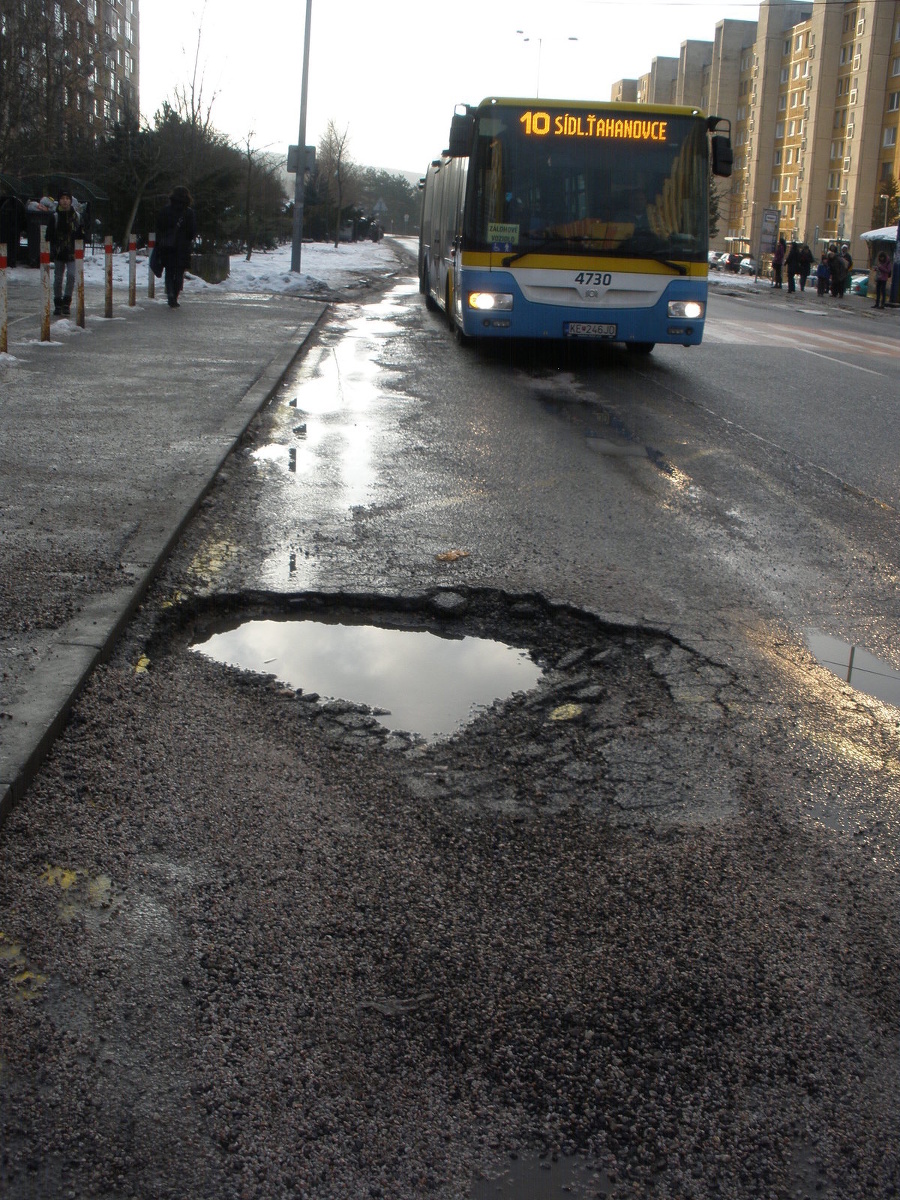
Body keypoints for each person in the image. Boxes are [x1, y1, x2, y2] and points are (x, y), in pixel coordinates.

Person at [156, 185, 197, 308]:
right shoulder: (189, 213)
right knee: (179, 272)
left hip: (168, 246)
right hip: (183, 248)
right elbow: (192, 231)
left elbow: (159, 227)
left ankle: (170, 294)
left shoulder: (165, 211)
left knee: (169, 271)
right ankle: (175, 296)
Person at [48, 188, 82, 316]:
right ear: (59, 200)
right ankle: (58, 303)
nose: (65, 201)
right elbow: (49, 235)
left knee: (72, 276)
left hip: (72, 252)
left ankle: (67, 302)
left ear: (71, 200)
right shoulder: (55, 217)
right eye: (62, 199)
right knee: (58, 279)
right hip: (58, 252)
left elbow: (82, 233)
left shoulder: (76, 217)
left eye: (67, 199)